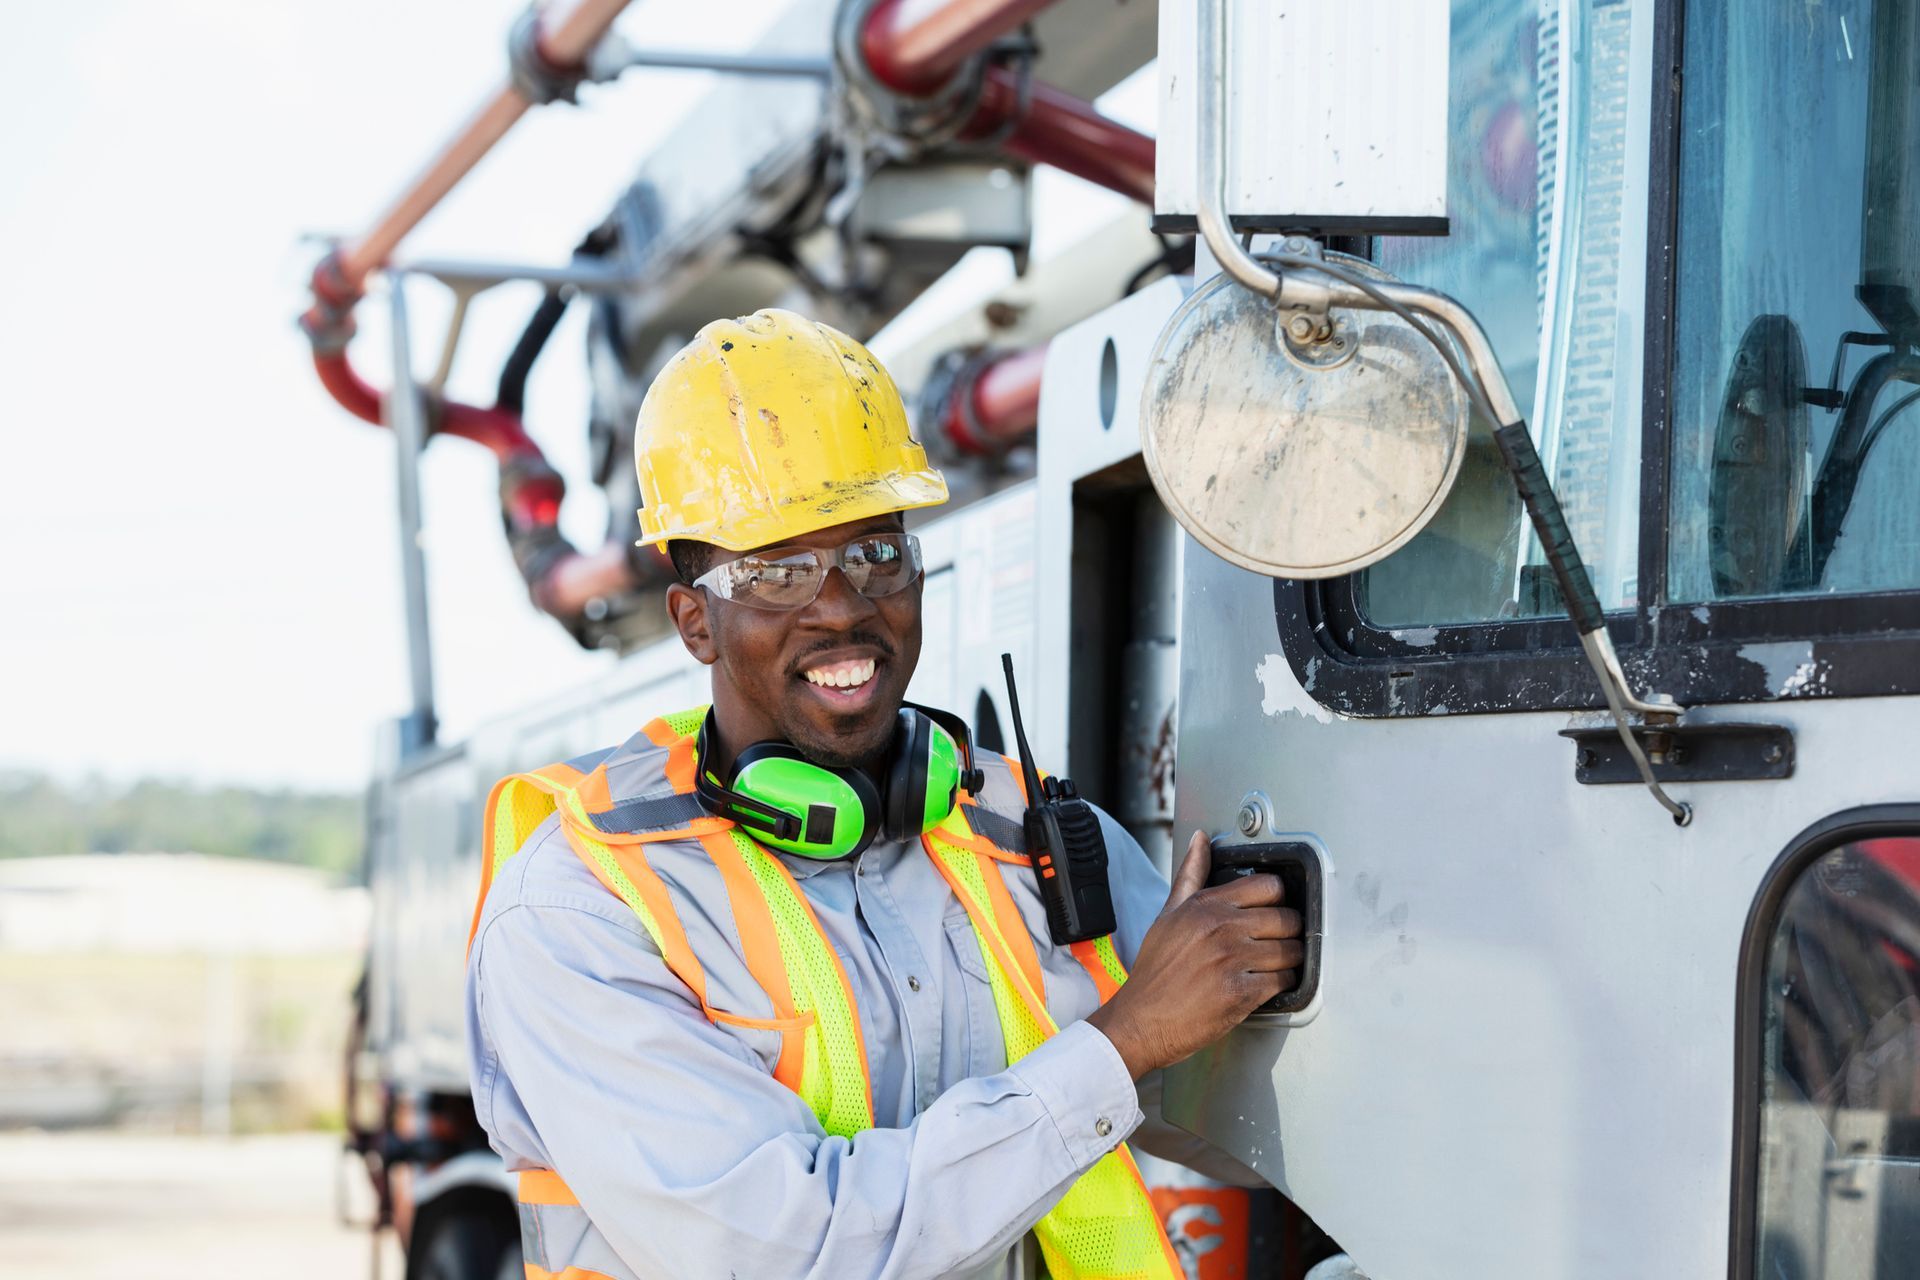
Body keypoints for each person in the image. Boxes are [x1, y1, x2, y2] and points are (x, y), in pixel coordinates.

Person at [465, 309, 1304, 1280]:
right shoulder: (582, 908)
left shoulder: (1020, 831)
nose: (841, 605)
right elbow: (787, 1250)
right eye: (777, 569)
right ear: (695, 621)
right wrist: (1122, 1044)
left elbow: (1229, 1110)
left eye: (874, 551)